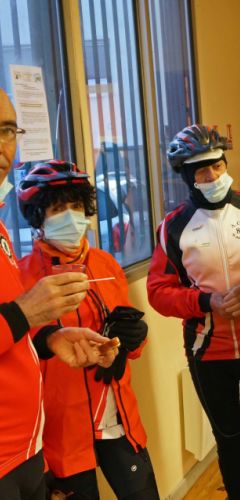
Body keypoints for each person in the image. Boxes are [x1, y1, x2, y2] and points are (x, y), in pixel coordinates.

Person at [147, 124, 240, 500]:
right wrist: (204, 302)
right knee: (228, 440)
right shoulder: (173, 226)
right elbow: (158, 292)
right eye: (201, 170)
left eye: (217, 165)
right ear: (186, 177)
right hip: (208, 353)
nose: (212, 175)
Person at [17, 159, 160, 499]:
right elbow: (18, 357)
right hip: (62, 430)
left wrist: (131, 341)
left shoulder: (106, 264)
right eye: (57, 209)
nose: (70, 216)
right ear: (39, 218)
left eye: (76, 206)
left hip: (117, 415)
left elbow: (125, 339)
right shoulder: (21, 276)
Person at [0, 89, 115, 498]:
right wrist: (24, 314)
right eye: (55, 209)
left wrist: (47, 339)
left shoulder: (1, 233)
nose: (1, 146)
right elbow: (15, 316)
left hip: (27, 448)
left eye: (7, 130)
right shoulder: (29, 265)